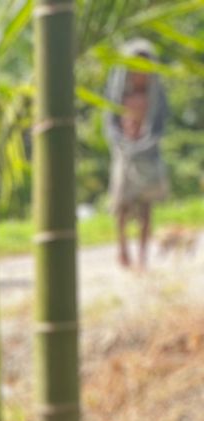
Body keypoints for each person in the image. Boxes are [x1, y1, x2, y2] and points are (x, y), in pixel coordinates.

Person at [105, 39, 170, 270]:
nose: (139, 72)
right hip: (124, 155)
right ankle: (122, 249)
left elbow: (160, 125)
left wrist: (146, 142)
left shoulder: (155, 95)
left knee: (146, 207)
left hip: (149, 154)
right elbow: (111, 125)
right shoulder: (119, 94)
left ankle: (143, 255)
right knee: (122, 206)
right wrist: (124, 143)